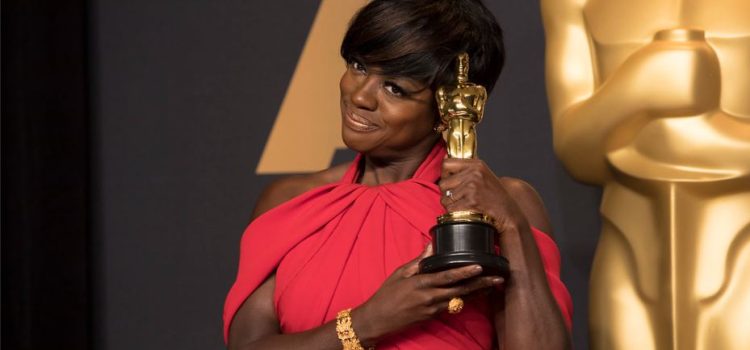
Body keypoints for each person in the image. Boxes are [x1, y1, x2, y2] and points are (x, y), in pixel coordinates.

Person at [224, 0, 572, 349]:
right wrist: (368, 321)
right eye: (359, 66)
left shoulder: (504, 206)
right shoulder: (294, 201)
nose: (359, 95)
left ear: (448, 108)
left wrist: (510, 225)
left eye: (395, 88)